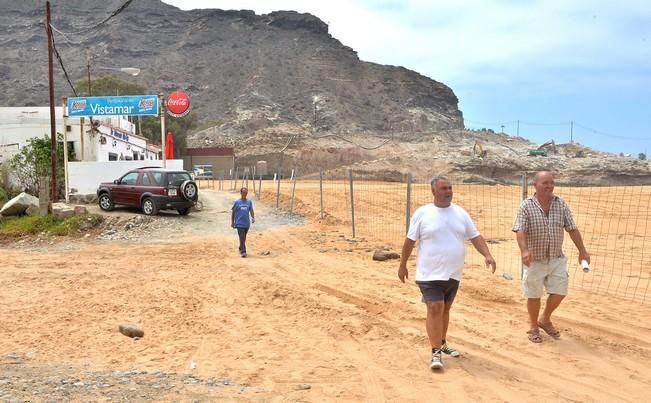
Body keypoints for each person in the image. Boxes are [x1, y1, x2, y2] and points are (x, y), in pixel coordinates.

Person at [398, 176, 496, 370]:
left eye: (450, 188)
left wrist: (487, 254)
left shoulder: (460, 213)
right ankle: (435, 352)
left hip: (453, 272)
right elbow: (410, 241)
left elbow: (475, 236)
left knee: (445, 309)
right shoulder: (423, 213)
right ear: (433, 191)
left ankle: (442, 343)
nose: (448, 191)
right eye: (444, 188)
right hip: (429, 273)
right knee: (435, 307)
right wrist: (402, 264)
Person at [512, 171, 590, 343]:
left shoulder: (561, 204)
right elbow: (520, 230)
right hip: (535, 259)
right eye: (545, 183)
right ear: (535, 185)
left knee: (560, 291)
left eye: (551, 183)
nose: (549, 186)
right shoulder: (526, 206)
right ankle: (533, 326)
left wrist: (582, 251)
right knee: (533, 294)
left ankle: (545, 318)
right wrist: (524, 251)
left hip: (556, 258)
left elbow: (572, 228)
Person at [231, 187, 255, 257]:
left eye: (246, 193)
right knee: (242, 237)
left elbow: (251, 210)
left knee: (244, 237)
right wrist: (232, 222)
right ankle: (243, 252)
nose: (245, 194)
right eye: (243, 193)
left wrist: (253, 217)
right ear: (241, 193)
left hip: (246, 223)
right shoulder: (237, 202)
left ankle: (240, 247)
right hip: (239, 223)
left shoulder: (249, 202)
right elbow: (233, 212)